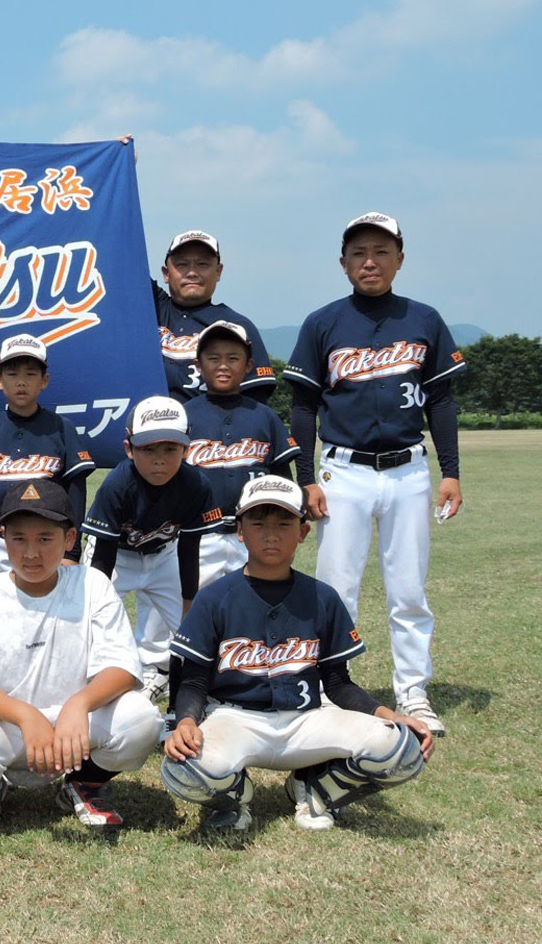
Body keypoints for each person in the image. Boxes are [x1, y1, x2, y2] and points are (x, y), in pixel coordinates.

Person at [161, 475, 434, 831]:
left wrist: (389, 714)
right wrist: (185, 722)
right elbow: (194, 680)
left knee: (402, 748)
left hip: (307, 720)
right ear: (240, 531)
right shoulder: (215, 598)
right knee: (184, 768)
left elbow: (338, 683)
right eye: (258, 523)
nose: (271, 534)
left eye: (284, 523)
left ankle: (315, 790)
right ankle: (234, 798)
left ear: (302, 533)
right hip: (236, 719)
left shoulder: (323, 598)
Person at [284, 212, 466, 736]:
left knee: (408, 590)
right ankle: (326, 686)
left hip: (409, 470)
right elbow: (302, 408)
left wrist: (450, 472)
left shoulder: (424, 319)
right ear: (343, 263)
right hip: (344, 473)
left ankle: (413, 690)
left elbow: (443, 401)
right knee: (337, 589)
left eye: (382, 251)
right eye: (360, 252)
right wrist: (305, 478)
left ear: (400, 259)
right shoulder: (323, 323)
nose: (371, 261)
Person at [0, 480, 161, 832]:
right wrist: (25, 715)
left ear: (70, 540)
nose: (31, 553)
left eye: (45, 539)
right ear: (1, 538)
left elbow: (123, 666)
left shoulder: (91, 584)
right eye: (19, 538)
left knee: (142, 718)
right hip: (9, 729)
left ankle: (84, 782)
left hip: (75, 732)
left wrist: (79, 704)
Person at [83, 396, 220, 700]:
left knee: (192, 629)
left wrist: (189, 601)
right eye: (148, 449)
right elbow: (103, 556)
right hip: (115, 558)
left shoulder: (196, 484)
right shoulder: (117, 485)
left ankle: (197, 696)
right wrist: (96, 600)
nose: (159, 459)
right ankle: (88, 690)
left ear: (187, 449)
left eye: (170, 448)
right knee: (90, 624)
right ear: (129, 449)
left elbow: (189, 546)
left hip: (165, 556)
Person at [0, 333, 95, 572]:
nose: (21, 382)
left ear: (45, 380)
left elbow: (76, 491)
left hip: (49, 536)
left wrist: (72, 551)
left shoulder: (61, 427)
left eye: (30, 374)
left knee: (50, 607)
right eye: (12, 374)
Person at [183, 321, 299, 588]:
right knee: (191, 610)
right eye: (213, 358)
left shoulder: (264, 416)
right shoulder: (184, 415)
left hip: (251, 533)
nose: (223, 365)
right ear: (198, 366)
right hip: (198, 534)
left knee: (252, 604)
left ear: (248, 366)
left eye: (233, 358)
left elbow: (282, 477)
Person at [153, 231, 276, 404]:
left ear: (218, 272)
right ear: (166, 273)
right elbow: (116, 254)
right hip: (147, 427)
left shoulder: (236, 326)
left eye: (203, 264)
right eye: (182, 264)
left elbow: (255, 404)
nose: (192, 273)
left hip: (207, 429)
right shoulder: (149, 308)